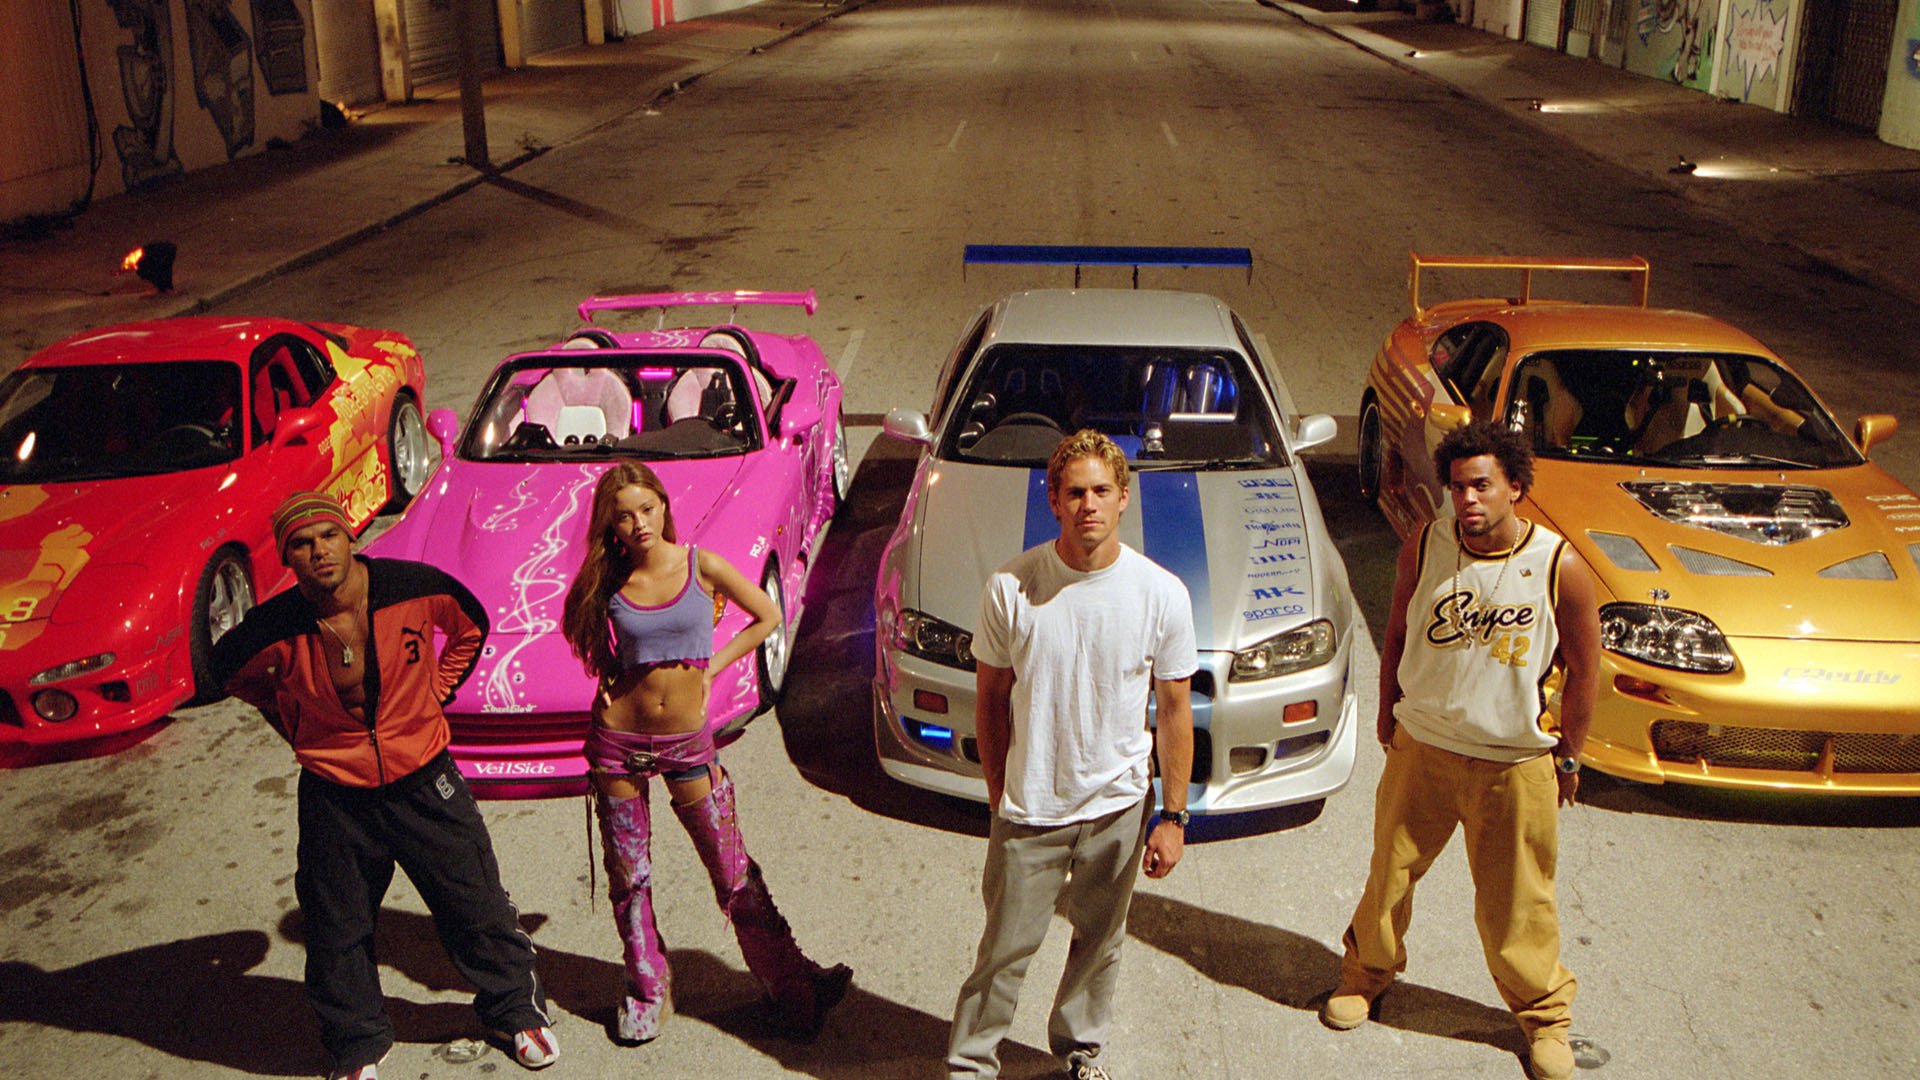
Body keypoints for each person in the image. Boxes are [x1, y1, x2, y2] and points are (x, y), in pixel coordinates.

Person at [212, 492, 554, 1080]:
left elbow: (471, 624)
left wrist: (436, 691)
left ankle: (514, 1011)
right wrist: (292, 717)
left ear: (350, 537)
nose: (319, 551)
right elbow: (228, 671)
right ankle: (356, 1043)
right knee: (336, 928)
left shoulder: (410, 587)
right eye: (302, 543)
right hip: (335, 791)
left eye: (329, 535)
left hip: (425, 777)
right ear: (287, 558)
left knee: (474, 903)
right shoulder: (275, 626)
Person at [1321, 422, 1600, 1080]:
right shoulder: (1426, 545)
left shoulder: (1559, 565)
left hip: (1513, 762)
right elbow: (1397, 630)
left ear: (1516, 488)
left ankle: (1544, 1018)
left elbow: (1587, 671)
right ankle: (1364, 976)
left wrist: (1569, 755)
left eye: (1481, 485)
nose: (1466, 499)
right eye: (1456, 487)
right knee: (1388, 877)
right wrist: (1389, 711)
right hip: (1425, 747)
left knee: (1519, 903)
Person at [559, 462, 850, 1046]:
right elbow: (583, 633)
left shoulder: (701, 565)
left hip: (687, 740)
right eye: (623, 516)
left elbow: (768, 616)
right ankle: (648, 990)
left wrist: (711, 668)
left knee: (732, 873)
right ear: (611, 525)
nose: (638, 524)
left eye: (646, 509)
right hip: (618, 744)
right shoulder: (609, 580)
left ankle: (790, 981)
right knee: (629, 877)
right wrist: (612, 680)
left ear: (664, 507)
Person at [947, 429, 1199, 1080]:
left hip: (1118, 807)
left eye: (1102, 491)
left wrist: (1173, 816)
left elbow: (1174, 711)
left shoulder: (1161, 593)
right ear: (1054, 500)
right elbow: (990, 701)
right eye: (1076, 492)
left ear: (1123, 498)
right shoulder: (1012, 586)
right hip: (1032, 809)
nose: (1089, 504)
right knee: (1003, 954)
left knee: (1100, 946)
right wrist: (1000, 795)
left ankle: (1079, 1055)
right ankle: (970, 1065)